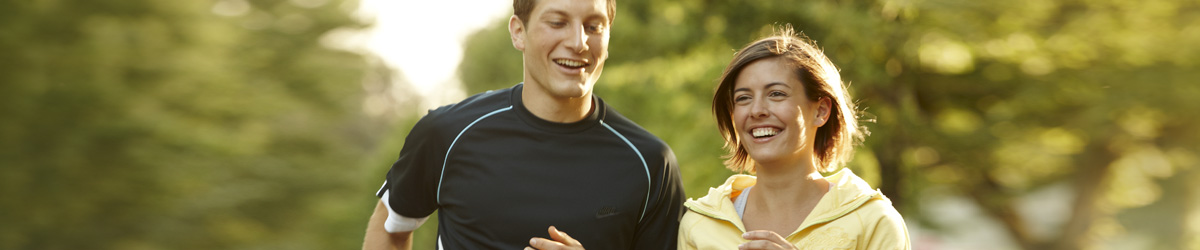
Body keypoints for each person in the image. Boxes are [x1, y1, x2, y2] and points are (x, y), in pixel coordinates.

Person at [361, 0, 686, 249]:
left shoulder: (651, 163)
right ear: (519, 32)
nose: (578, 42)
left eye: (594, 26)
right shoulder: (447, 133)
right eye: (558, 22)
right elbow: (390, 227)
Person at [677, 25, 910, 250]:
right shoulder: (699, 224)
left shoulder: (874, 221)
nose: (756, 110)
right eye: (743, 98)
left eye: (776, 94)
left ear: (820, 111)